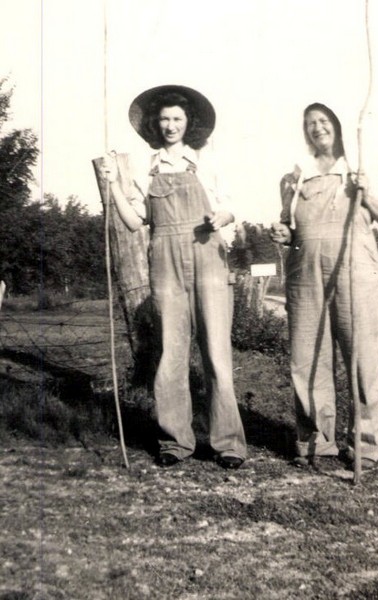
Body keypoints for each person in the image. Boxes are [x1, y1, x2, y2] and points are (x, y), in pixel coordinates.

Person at [102, 85, 247, 469]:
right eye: (164, 118)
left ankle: (228, 444)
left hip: (207, 255)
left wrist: (221, 217)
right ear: (155, 123)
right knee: (170, 351)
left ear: (189, 123)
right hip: (165, 261)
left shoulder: (205, 163)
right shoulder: (146, 170)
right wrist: (113, 184)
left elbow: (230, 207)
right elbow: (133, 221)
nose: (170, 125)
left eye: (177, 118)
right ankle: (175, 441)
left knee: (216, 351)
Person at [270, 102, 378, 470]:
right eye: (310, 123)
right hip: (304, 275)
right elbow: (290, 228)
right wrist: (282, 233)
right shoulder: (296, 176)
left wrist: (366, 194)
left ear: (339, 126)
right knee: (307, 358)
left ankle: (367, 444)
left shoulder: (362, 168)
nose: (317, 128)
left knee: (363, 358)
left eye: (324, 120)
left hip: (355, 272)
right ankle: (316, 442)